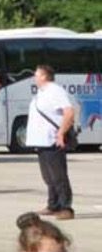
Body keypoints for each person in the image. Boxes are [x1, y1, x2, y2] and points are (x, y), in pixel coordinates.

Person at [28, 65, 76, 220]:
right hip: (41, 141)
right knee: (48, 176)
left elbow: (69, 112)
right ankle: (53, 204)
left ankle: (65, 207)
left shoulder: (55, 91)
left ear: (44, 76)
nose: (34, 77)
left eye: (36, 74)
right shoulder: (42, 93)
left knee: (59, 176)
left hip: (52, 140)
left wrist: (61, 133)